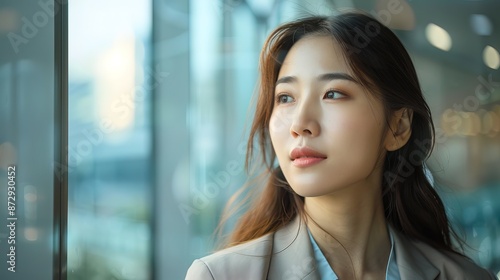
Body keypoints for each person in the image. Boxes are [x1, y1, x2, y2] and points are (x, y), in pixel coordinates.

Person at [185, 11, 496, 280]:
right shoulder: (220, 275)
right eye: (285, 98)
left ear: (398, 127)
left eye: (333, 93)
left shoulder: (465, 277)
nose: (300, 124)